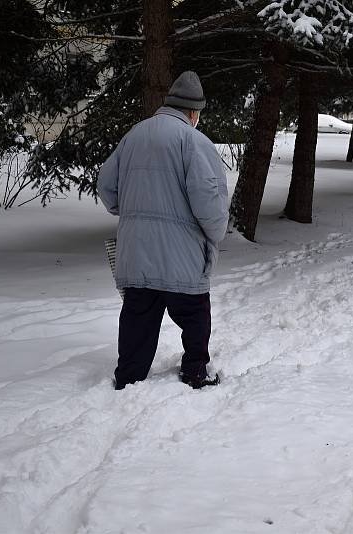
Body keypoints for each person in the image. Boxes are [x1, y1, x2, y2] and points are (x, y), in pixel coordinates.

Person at [98, 71, 229, 390]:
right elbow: (208, 201)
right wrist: (215, 234)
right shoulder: (194, 142)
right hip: (181, 254)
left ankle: (128, 376)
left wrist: (131, 214)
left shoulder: (134, 136)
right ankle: (195, 371)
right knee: (195, 312)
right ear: (194, 112)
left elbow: (106, 186)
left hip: (137, 251)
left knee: (138, 313)